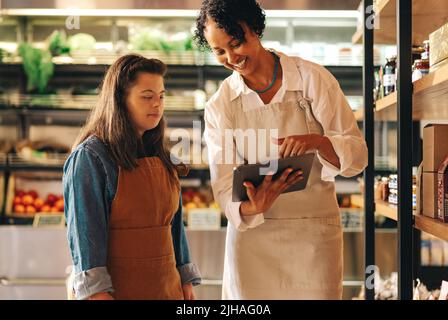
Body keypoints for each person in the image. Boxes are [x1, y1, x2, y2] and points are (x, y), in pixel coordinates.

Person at [195, 0, 368, 299]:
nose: (231, 57)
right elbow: (223, 184)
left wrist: (318, 142)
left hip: (313, 236)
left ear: (256, 29)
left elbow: (358, 157)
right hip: (252, 241)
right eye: (219, 51)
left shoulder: (312, 79)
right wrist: (252, 206)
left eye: (237, 43)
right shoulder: (221, 105)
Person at [63, 54, 201, 300]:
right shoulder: (91, 157)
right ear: (120, 100)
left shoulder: (161, 155)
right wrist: (97, 294)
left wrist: (185, 278)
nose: (157, 104)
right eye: (147, 97)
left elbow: (174, 226)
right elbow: (86, 237)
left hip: (167, 290)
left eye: (161, 96)